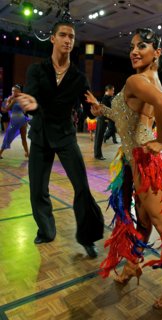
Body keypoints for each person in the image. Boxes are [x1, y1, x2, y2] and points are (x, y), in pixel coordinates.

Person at [85, 28, 162, 309]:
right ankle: (132, 264)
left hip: (147, 163)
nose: (134, 50)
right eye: (132, 46)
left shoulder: (136, 79)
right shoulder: (149, 79)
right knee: (144, 221)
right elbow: (127, 116)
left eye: (142, 46)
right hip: (135, 161)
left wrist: (161, 141)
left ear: (157, 53)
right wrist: (100, 110)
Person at [16, 21, 104, 258]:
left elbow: (87, 108)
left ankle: (87, 237)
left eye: (72, 37)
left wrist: (93, 112)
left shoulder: (78, 77)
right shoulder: (37, 70)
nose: (68, 40)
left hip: (65, 136)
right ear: (53, 38)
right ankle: (46, 230)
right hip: (42, 135)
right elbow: (31, 99)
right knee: (37, 189)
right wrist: (32, 106)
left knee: (82, 188)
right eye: (63, 35)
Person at [0, 84, 29, 159]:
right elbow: (6, 109)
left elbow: (25, 110)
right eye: (12, 90)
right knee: (8, 136)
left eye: (16, 90)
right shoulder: (9, 99)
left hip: (22, 121)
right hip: (14, 122)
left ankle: (27, 153)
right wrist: (11, 101)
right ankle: (0, 152)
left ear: (19, 91)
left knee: (24, 138)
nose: (14, 92)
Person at [94, 84, 115, 160]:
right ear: (108, 90)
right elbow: (105, 110)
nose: (113, 92)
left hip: (103, 120)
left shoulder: (107, 98)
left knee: (99, 137)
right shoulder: (106, 98)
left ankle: (98, 154)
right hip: (102, 120)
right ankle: (98, 155)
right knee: (99, 138)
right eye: (112, 90)